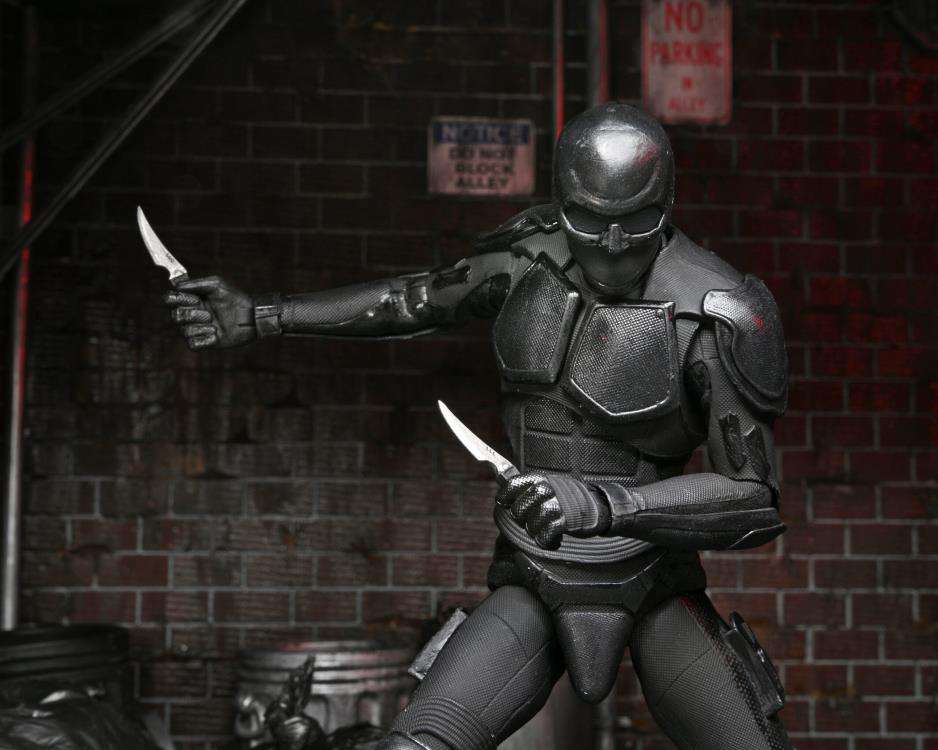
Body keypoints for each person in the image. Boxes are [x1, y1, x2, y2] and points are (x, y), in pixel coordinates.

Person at [165, 102, 792, 750]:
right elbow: (409, 301)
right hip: (533, 574)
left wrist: (609, 506)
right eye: (589, 220)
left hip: (656, 576)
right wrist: (262, 315)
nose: (611, 243)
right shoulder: (524, 258)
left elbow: (754, 499)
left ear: (667, 204)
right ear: (562, 204)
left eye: (635, 221)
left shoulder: (718, 310)